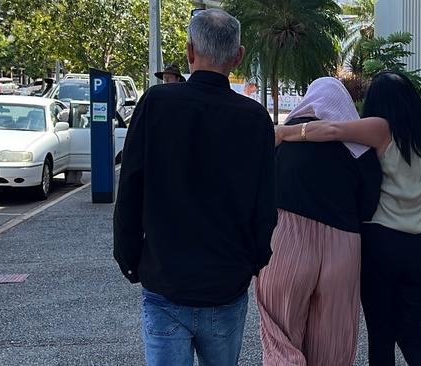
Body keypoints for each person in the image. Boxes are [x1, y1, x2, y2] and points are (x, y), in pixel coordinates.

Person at [114, 9, 277, 366]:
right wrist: (254, 260)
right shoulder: (255, 120)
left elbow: (130, 187)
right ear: (238, 56)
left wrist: (130, 258)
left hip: (164, 281)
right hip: (226, 285)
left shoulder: (155, 104)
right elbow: (266, 205)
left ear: (189, 52)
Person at [275, 71, 421, 366]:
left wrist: (284, 133)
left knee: (381, 334)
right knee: (413, 333)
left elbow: (329, 131)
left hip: (384, 242)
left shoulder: (382, 128)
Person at [256, 77, 382, 366]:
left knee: (281, 337)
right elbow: (370, 203)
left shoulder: (282, 140)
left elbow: (259, 193)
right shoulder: (360, 149)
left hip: (287, 240)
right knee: (333, 347)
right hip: (343, 246)